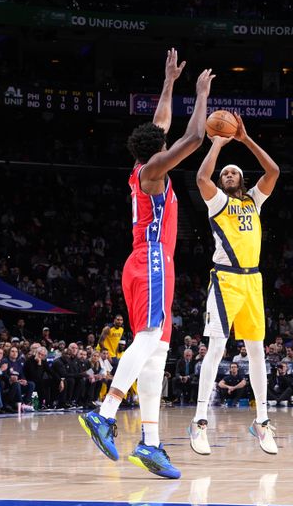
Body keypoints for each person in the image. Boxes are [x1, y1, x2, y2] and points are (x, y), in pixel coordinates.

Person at [80, 49, 214, 480]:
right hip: (151, 260)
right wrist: (200, 95)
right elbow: (192, 139)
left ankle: (151, 444)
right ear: (158, 151)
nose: (165, 134)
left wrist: (169, 81)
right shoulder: (153, 170)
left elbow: (161, 122)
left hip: (150, 263)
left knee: (157, 352)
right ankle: (105, 413)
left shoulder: (143, 162)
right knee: (149, 338)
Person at [188, 110, 280, 457]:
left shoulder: (254, 201)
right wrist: (217, 144)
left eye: (232, 172)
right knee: (215, 348)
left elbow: (273, 172)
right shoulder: (218, 202)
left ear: (241, 179)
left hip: (252, 282)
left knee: (257, 353)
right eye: (224, 172)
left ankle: (262, 421)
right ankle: (199, 421)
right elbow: (200, 177)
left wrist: (244, 139)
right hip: (224, 281)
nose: (227, 174)